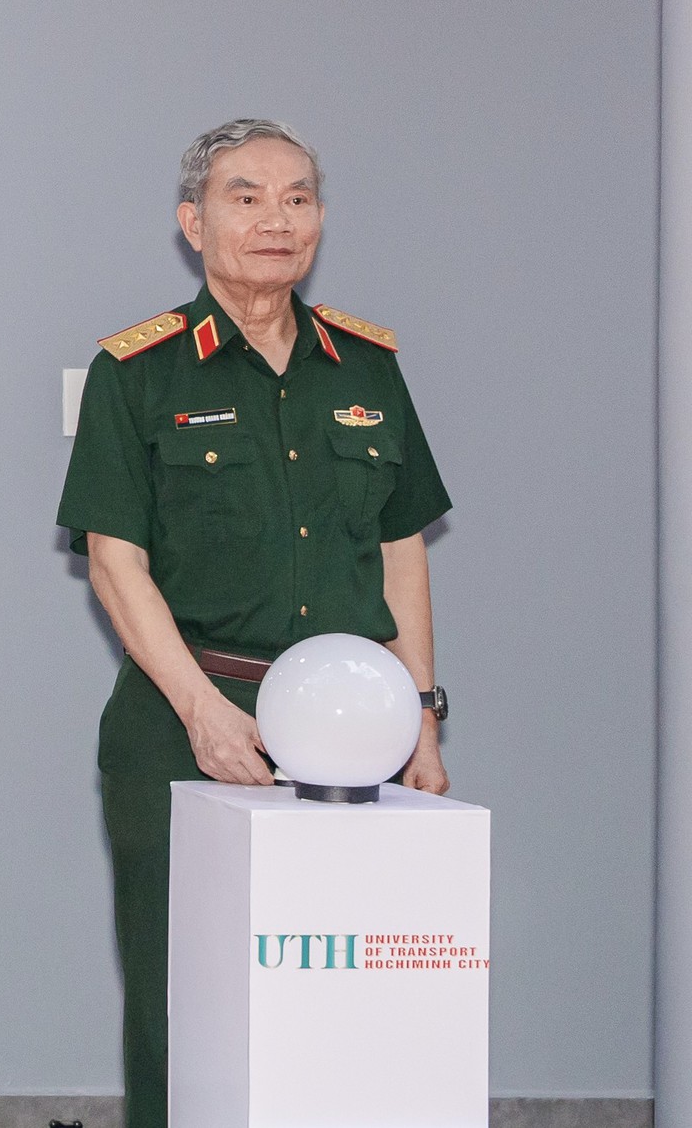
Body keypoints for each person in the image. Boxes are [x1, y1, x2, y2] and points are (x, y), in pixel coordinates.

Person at [57, 119, 452, 1128]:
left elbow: (401, 549)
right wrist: (202, 712)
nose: (277, 219)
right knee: (184, 998)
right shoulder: (139, 371)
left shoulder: (366, 366)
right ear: (193, 223)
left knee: (344, 1001)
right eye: (245, 196)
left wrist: (420, 715)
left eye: (297, 197)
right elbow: (114, 561)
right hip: (185, 720)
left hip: (354, 731)